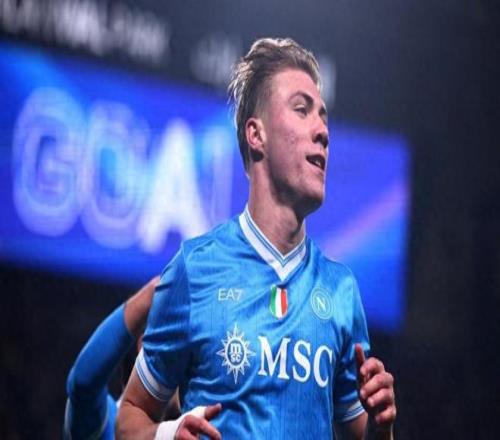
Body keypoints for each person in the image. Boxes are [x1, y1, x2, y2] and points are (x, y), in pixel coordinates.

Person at [116, 37, 396, 439]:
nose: (322, 131)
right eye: (302, 109)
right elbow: (130, 417)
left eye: (323, 117)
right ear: (256, 134)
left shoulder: (341, 290)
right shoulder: (195, 269)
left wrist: (382, 429)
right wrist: (167, 434)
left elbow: (359, 435)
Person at [64, 276, 181, 439]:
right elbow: (83, 384)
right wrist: (154, 292)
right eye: (185, 347)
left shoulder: (197, 427)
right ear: (149, 349)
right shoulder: (106, 426)